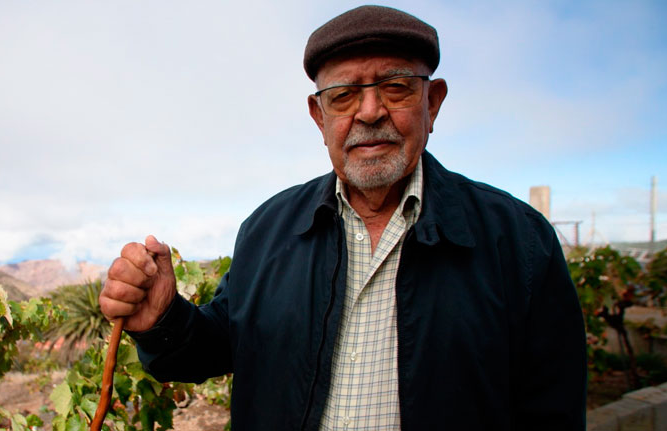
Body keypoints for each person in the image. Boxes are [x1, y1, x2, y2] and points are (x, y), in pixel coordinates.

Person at [100, 5, 586, 430]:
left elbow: (552, 410)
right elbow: (222, 345)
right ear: (319, 116)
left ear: (431, 104)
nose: (370, 111)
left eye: (396, 87)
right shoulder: (268, 230)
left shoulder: (519, 242)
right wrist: (163, 319)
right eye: (343, 96)